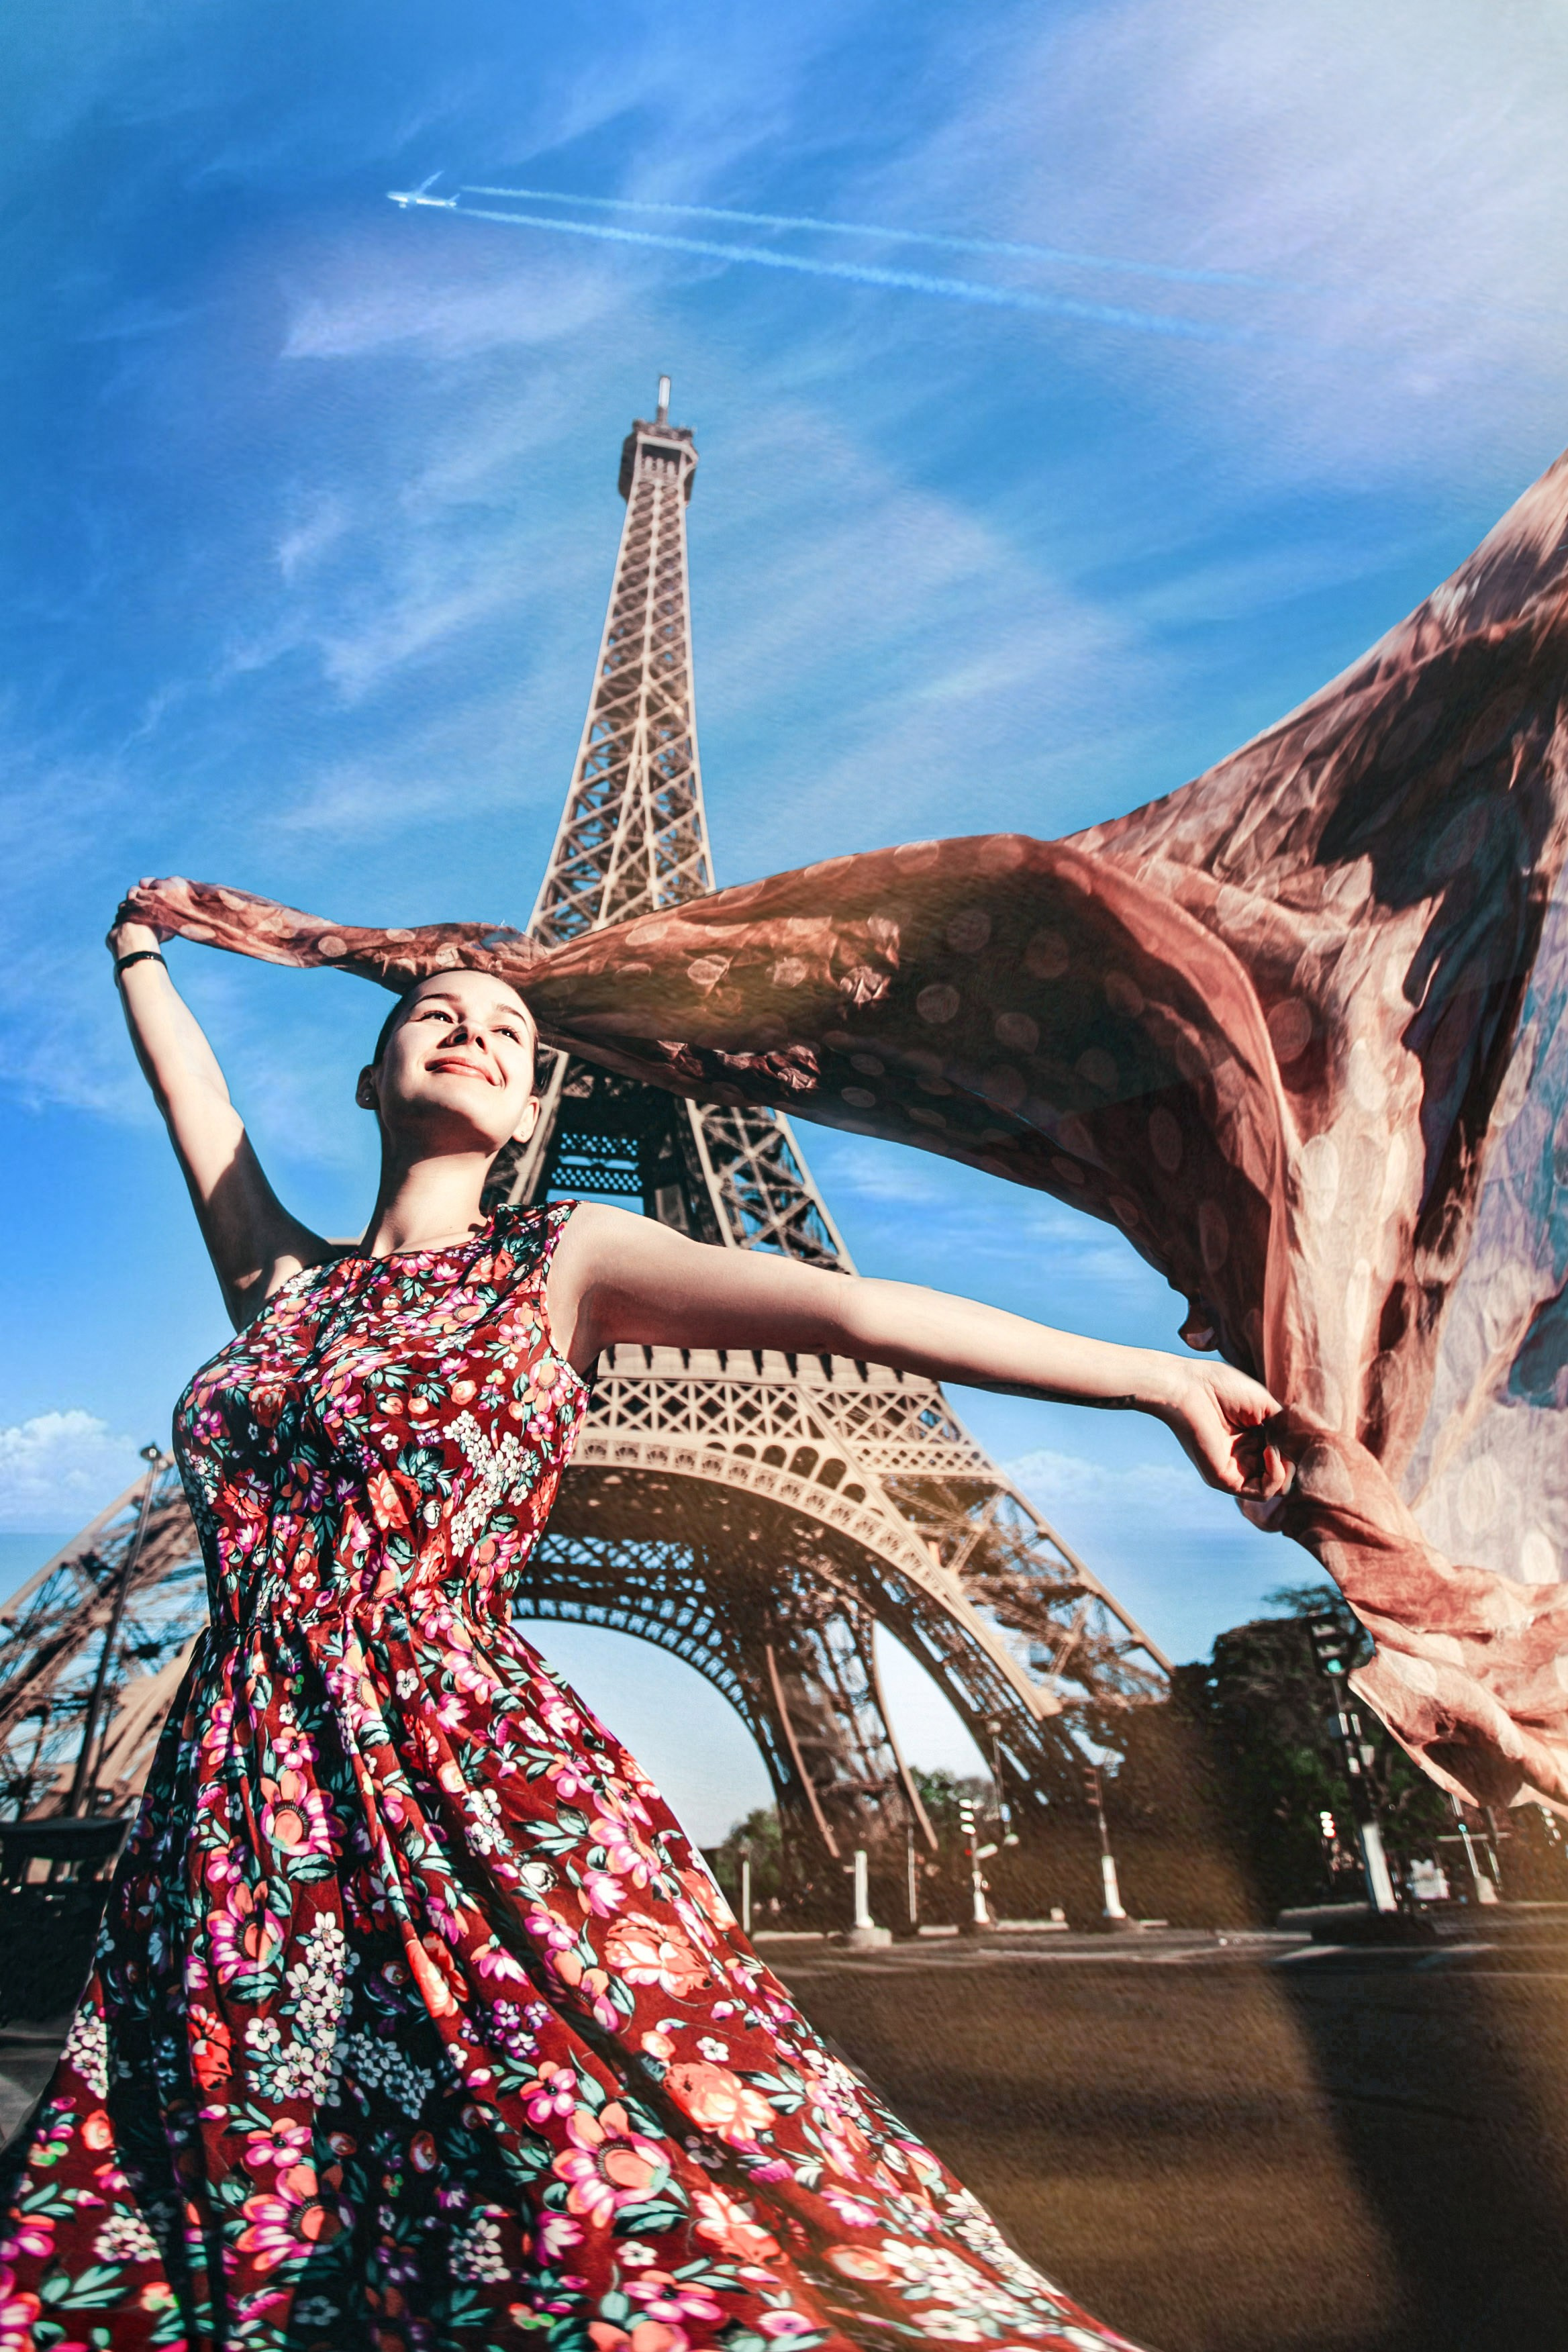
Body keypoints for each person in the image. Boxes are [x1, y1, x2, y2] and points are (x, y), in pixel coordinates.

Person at [0, 912, 1289, 2352]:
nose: (473, 1029)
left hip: (462, 1771)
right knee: (260, 2186)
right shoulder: (282, 1287)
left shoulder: (566, 1258)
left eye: (507, 1028)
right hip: (236, 1806)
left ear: (534, 1102)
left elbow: (852, 1319)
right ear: (370, 1080)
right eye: (436, 1012)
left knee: (587, 2180)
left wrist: (1149, 1383)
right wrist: (139, 948)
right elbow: (202, 1107)